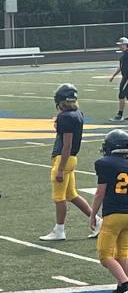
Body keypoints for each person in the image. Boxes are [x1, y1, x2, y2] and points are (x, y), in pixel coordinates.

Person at [40, 83, 98, 241]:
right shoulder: (78, 113)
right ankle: (98, 222)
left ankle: (59, 230)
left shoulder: (65, 117)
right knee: (72, 195)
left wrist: (60, 168)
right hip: (72, 159)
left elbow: (67, 144)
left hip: (63, 159)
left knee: (59, 198)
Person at [90, 129, 128, 293]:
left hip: (113, 215)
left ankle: (126, 286)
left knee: (105, 256)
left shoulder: (105, 163)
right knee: (122, 254)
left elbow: (100, 193)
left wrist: (93, 214)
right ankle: (121, 287)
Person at [109, 37, 128, 121]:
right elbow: (121, 67)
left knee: (121, 94)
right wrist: (113, 75)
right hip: (125, 77)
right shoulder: (124, 54)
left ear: (125, 44)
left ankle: (119, 115)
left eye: (120, 44)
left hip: (127, 77)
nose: (119, 46)